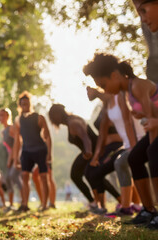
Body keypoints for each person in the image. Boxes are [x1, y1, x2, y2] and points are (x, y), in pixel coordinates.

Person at [83, 53, 158, 226]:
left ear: (115, 76)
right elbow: (143, 120)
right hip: (154, 128)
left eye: (104, 84)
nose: (104, 89)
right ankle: (148, 210)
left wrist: (152, 146)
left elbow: (152, 122)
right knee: (134, 158)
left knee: (153, 155)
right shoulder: (126, 92)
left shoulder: (138, 86)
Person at [48, 103, 122, 214]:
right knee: (82, 174)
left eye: (52, 117)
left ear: (57, 115)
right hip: (90, 151)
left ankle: (102, 203)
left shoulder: (73, 123)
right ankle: (97, 202)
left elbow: (86, 139)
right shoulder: (71, 121)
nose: (52, 120)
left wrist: (88, 153)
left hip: (93, 150)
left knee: (90, 174)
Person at [86, 87, 143, 217]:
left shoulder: (120, 97)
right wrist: (96, 156)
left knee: (122, 164)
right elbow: (102, 133)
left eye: (89, 88)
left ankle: (132, 205)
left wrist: (131, 146)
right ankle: (127, 205)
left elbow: (128, 123)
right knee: (118, 166)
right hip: (123, 145)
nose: (87, 92)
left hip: (127, 143)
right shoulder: (106, 106)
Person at [12, 91, 53, 212]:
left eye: (27, 103)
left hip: (40, 150)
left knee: (43, 177)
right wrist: (15, 157)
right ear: (20, 105)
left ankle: (44, 205)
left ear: (30, 103)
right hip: (26, 151)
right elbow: (17, 141)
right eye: (22, 103)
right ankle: (24, 204)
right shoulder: (18, 120)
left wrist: (49, 154)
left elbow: (47, 136)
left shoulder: (39, 117)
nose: (25, 105)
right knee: (24, 176)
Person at [0, 108, 23, 210]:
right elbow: (8, 148)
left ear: (8, 116)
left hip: (18, 157)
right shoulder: (3, 131)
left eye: (3, 115)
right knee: (8, 179)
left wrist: (14, 157)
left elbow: (19, 143)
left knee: (15, 177)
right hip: (10, 158)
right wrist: (9, 158)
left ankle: (23, 202)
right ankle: (11, 204)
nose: (1, 118)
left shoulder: (12, 128)